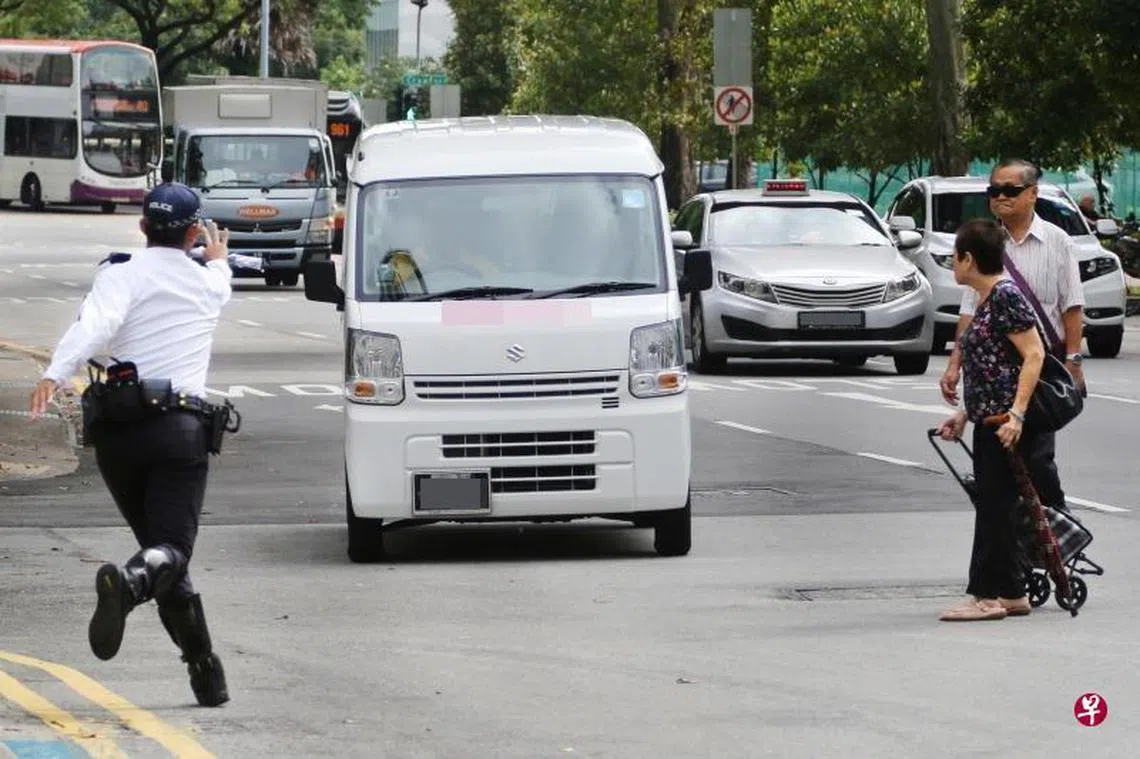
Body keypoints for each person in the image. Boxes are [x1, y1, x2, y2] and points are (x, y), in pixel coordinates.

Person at [28, 182, 233, 707]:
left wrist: (56, 373)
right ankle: (132, 582)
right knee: (172, 552)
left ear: (142, 227)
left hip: (118, 435)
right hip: (178, 433)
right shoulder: (210, 284)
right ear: (193, 232)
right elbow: (219, 272)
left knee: (162, 553)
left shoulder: (119, 274)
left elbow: (95, 326)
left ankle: (204, 672)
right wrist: (214, 256)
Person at [940, 158, 1084, 518]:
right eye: (994, 190)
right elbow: (969, 315)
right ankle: (1022, 549)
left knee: (1037, 462)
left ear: (1033, 194)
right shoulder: (987, 241)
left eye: (1010, 190)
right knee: (1000, 478)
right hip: (997, 371)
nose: (1000, 197)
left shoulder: (1057, 241)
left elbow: (1072, 307)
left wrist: (1073, 360)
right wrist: (955, 365)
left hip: (1037, 367)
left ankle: (1057, 536)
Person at [936, 219, 1047, 621]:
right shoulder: (987, 299)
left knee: (993, 507)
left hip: (1004, 420)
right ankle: (1013, 592)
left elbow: (1033, 354)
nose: (953, 264)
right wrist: (965, 413)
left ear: (968, 258)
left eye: (955, 256)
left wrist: (1016, 414)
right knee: (996, 505)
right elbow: (991, 364)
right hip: (987, 417)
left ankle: (984, 596)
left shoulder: (1004, 296)